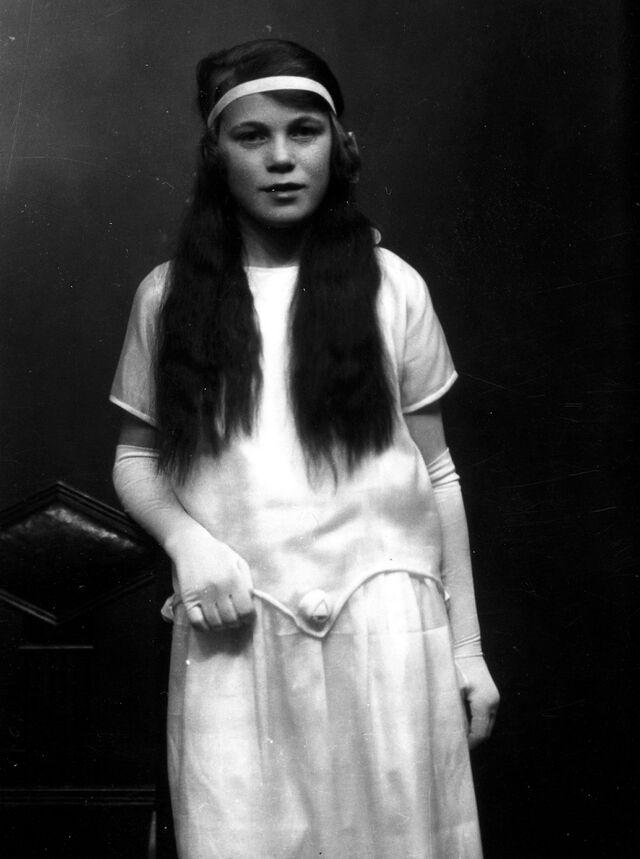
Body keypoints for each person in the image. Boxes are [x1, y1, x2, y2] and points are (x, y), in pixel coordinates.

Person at [110, 38, 499, 859]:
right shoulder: (167, 297)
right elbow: (137, 459)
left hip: (389, 635)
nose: (282, 158)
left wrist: (467, 650)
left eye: (304, 131)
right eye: (252, 136)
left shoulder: (394, 286)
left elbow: (438, 473)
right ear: (216, 154)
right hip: (238, 630)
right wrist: (188, 543)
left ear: (339, 146)